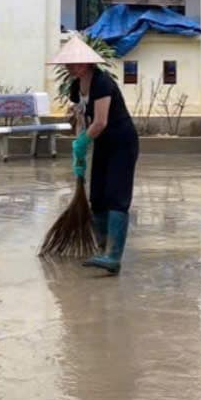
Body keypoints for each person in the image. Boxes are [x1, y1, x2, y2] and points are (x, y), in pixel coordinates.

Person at [51, 35, 139, 275]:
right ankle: (101, 248)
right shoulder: (75, 86)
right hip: (101, 143)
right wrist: (79, 150)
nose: (69, 67)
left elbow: (100, 121)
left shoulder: (102, 83)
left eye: (74, 63)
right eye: (67, 64)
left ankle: (114, 256)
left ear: (87, 63)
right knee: (97, 195)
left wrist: (83, 141)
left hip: (122, 142)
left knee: (116, 195)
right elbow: (83, 117)